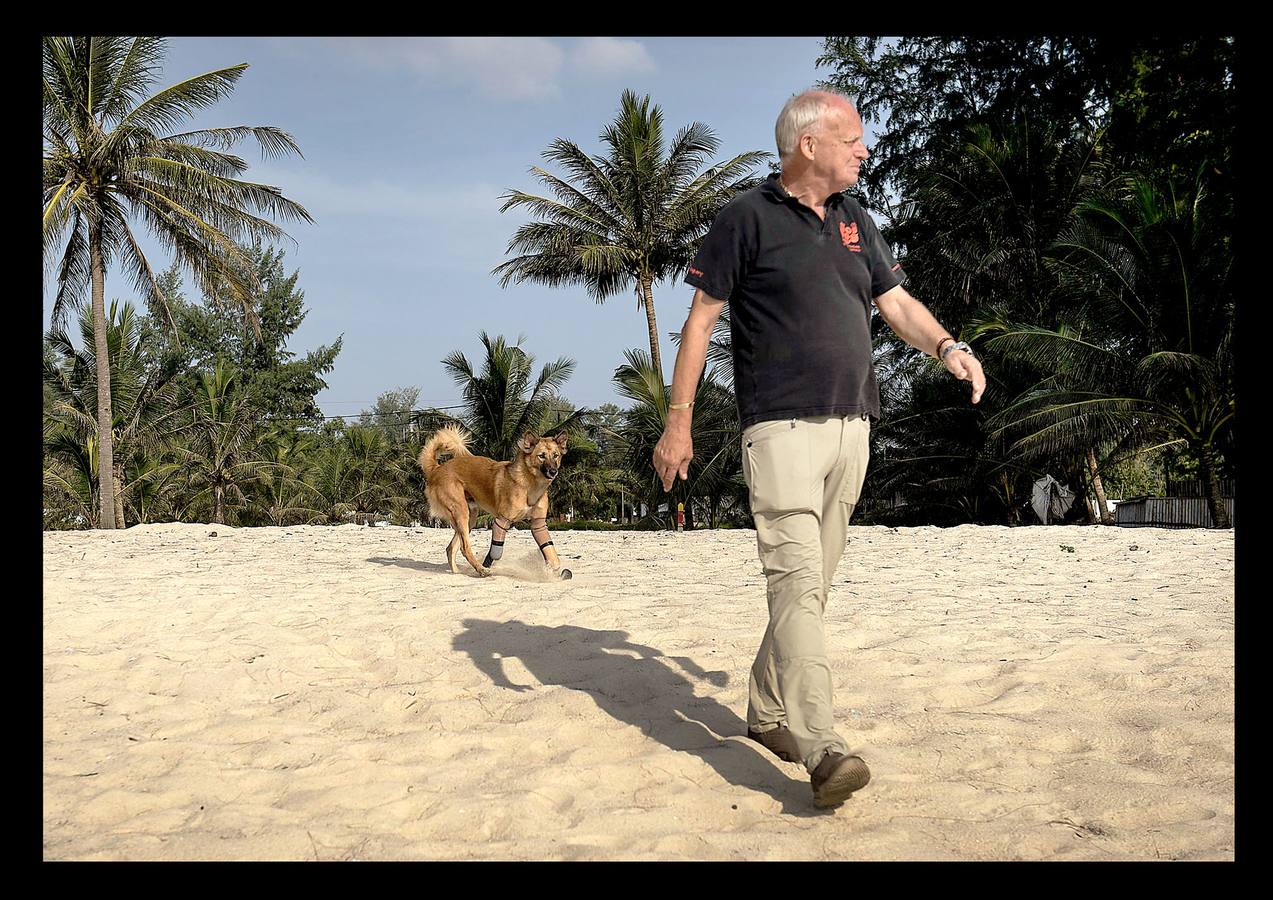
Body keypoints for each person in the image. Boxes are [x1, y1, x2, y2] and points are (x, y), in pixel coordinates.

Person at [652, 89, 985, 808]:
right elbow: (699, 321)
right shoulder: (745, 217)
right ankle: (822, 748)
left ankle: (767, 709)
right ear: (809, 145)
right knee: (798, 585)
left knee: (812, 588)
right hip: (780, 431)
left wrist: (946, 346)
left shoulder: (854, 219)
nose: (864, 149)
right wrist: (678, 422)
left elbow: (895, 303)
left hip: (852, 427)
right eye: (851, 137)